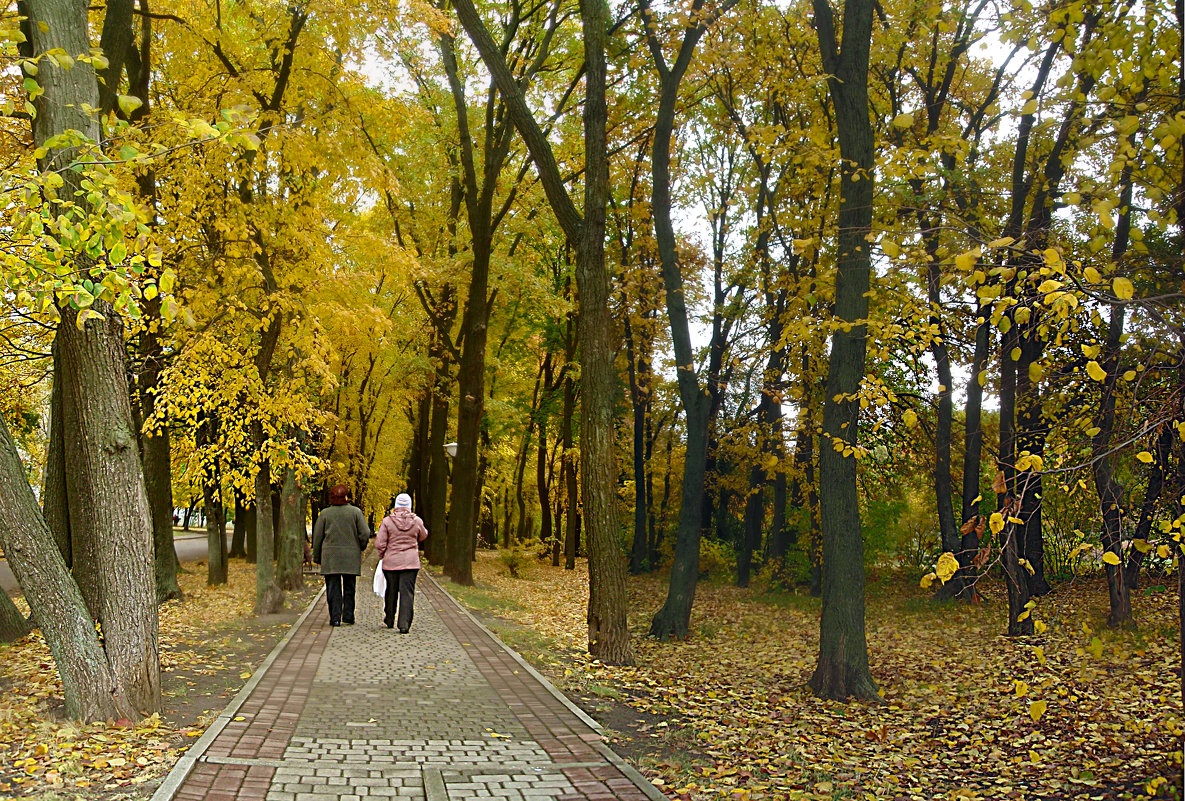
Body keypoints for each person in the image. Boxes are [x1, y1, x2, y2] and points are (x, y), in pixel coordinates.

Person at [312, 484, 370, 626]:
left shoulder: (325, 514)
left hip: (331, 556)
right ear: (346, 497)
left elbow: (318, 537)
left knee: (333, 588)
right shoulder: (355, 512)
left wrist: (317, 557)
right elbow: (365, 533)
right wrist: (360, 547)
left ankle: (335, 618)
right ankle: (348, 616)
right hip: (350, 555)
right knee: (350, 587)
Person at [374, 493, 428, 633]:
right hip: (411, 563)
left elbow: (380, 542)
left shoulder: (387, 522)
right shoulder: (417, 521)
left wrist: (382, 556)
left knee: (391, 590)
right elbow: (424, 535)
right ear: (409, 506)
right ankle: (404, 624)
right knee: (407, 593)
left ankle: (390, 618)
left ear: (396, 505)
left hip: (391, 562)